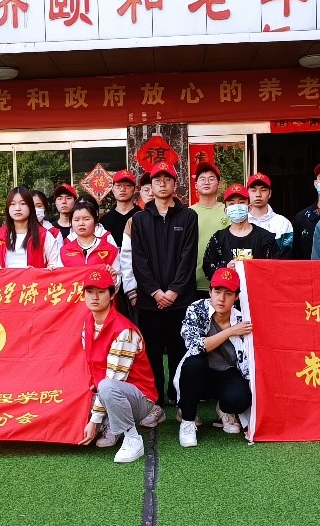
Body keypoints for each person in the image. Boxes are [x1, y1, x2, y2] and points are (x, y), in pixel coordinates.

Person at [79, 267, 165, 464]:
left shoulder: (123, 330)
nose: (94, 297)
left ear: (112, 295)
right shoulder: (87, 323)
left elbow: (113, 379)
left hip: (138, 398)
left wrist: (93, 421)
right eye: (90, 291)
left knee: (107, 387)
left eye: (101, 291)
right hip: (108, 390)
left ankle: (132, 438)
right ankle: (110, 423)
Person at [131, 162, 198, 404]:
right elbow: (138, 260)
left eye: (167, 179)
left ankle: (178, 396)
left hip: (180, 300)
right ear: (150, 186)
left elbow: (188, 257)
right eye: (157, 180)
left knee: (180, 350)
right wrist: (156, 292)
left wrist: (173, 291)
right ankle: (155, 397)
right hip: (150, 301)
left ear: (174, 184)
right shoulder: (139, 219)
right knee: (153, 352)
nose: (162, 184)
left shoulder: (188, 216)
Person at [175, 267, 253, 446]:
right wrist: (230, 331)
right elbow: (195, 346)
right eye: (217, 291)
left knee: (240, 399)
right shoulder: (197, 309)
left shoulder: (242, 318)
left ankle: (224, 409)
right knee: (193, 365)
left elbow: (250, 363)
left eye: (228, 293)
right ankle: (187, 419)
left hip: (227, 372)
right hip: (200, 372)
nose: (221, 298)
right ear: (210, 292)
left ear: (236, 297)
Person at [202, 184, 276, 278]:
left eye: (241, 202)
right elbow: (208, 269)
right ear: (226, 210)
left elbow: (275, 269)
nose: (236, 207)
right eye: (231, 204)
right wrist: (225, 268)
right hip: (227, 287)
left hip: (256, 286)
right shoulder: (218, 238)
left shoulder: (266, 238)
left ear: (249, 207)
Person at [0, 186, 62, 268]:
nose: (17, 208)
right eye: (13, 204)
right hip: (4, 276)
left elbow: (55, 265)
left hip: (33, 276)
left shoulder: (44, 235)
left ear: (30, 207)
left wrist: (37, 271)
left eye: (23, 203)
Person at [191, 161, 229, 292]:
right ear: (195, 185)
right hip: (192, 282)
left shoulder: (228, 211)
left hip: (224, 282)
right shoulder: (187, 213)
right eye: (202, 179)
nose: (206, 182)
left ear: (219, 184)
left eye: (211, 179)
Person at [61, 199, 120, 269]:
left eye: (86, 219)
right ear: (71, 223)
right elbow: (60, 274)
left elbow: (117, 273)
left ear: (95, 222)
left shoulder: (110, 250)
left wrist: (114, 274)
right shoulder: (64, 251)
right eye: (76, 220)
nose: (81, 223)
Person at [246, 173, 293, 257]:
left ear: (270, 193)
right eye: (253, 190)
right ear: (247, 193)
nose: (258, 194)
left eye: (263, 190)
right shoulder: (240, 222)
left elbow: (285, 257)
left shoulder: (283, 223)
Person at [100, 169, 141, 247]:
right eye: (118, 186)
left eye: (127, 185)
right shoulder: (104, 221)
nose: (122, 189)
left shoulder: (142, 217)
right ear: (112, 189)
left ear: (135, 189)